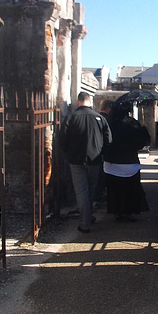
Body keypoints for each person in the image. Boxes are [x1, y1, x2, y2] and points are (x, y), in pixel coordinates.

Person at [60, 91, 112, 233]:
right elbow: (108, 140)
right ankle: (87, 217)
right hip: (94, 159)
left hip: (76, 159)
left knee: (82, 190)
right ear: (90, 102)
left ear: (78, 102)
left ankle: (84, 222)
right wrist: (102, 153)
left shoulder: (71, 117)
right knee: (91, 189)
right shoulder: (100, 118)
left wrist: (68, 153)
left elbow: (62, 139)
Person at [103, 101, 150, 222]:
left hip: (111, 163)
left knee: (114, 190)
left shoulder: (109, 123)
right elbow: (140, 144)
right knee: (130, 190)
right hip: (130, 163)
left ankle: (117, 211)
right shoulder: (133, 124)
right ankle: (128, 212)